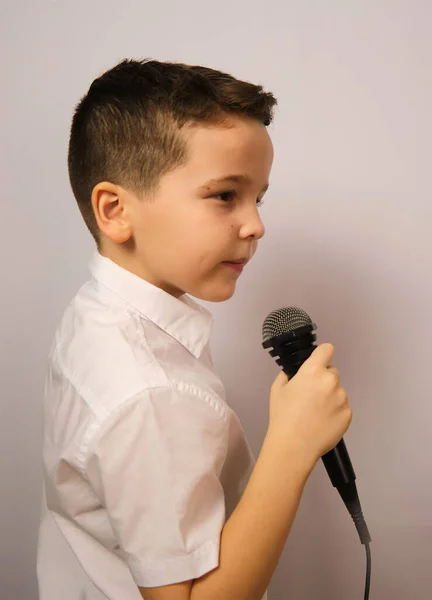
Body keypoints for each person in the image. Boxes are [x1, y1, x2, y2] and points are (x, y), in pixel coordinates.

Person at [37, 58, 352, 600]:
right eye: (226, 195)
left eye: (259, 197)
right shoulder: (151, 392)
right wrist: (292, 447)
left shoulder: (99, 312)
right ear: (115, 211)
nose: (256, 224)